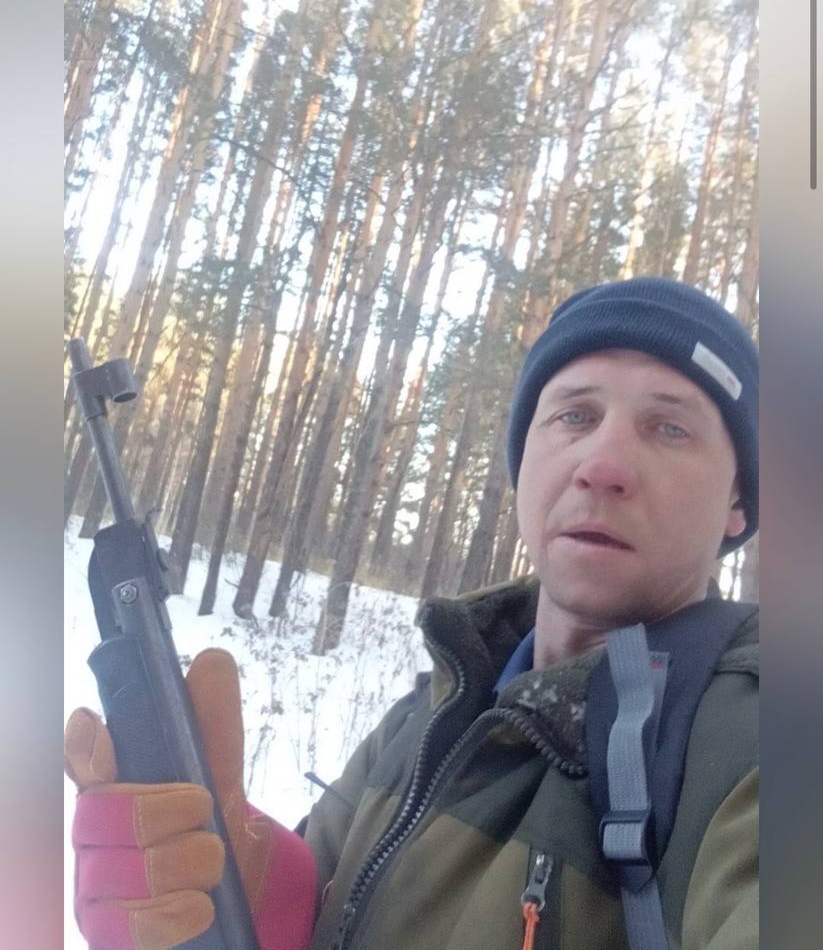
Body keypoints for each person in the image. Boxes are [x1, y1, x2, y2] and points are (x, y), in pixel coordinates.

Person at [65, 277, 759, 950]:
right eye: (574, 415)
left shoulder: (753, 742)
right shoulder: (431, 714)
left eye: (670, 428)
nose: (603, 463)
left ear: (737, 501)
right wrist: (244, 898)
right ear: (524, 458)